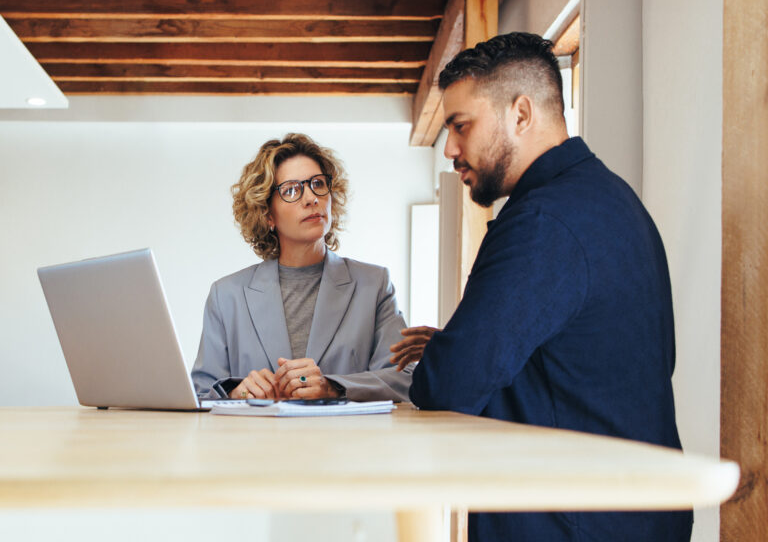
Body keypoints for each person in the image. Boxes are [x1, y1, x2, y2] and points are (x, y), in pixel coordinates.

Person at [390, 33, 693, 541]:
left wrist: (448, 352)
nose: (450, 150)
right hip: (626, 515)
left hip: (572, 522)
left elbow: (449, 386)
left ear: (521, 114)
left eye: (461, 126)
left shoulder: (542, 223)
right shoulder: (611, 200)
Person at [192, 133, 411, 402]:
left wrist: (334, 386)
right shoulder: (226, 296)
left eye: (318, 184)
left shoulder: (374, 285)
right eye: (292, 190)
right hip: (254, 443)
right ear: (267, 214)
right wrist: (238, 392)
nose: (311, 198)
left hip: (347, 443)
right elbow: (200, 394)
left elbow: (404, 380)